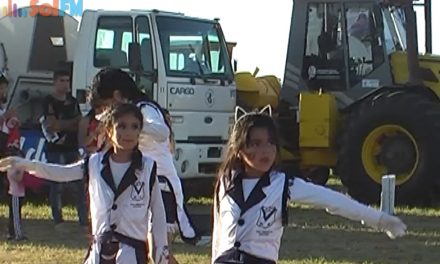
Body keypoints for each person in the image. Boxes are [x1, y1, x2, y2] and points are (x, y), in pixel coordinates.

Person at [211, 105, 407, 264]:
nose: (266, 150)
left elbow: (333, 201)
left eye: (270, 143)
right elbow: (219, 234)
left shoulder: (284, 185)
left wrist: (379, 219)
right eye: (255, 143)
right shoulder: (226, 181)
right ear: (238, 150)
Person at [0, 103, 169, 263]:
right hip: (99, 252)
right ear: (109, 131)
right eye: (122, 126)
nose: (128, 133)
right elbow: (62, 173)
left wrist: (160, 250)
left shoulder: (148, 167)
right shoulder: (94, 163)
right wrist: (26, 164)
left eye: (135, 127)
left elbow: (158, 212)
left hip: (131, 254)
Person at [88, 68, 201, 252]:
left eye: (105, 105)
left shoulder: (145, 108)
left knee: (158, 250)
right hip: (142, 187)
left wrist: (134, 123)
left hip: (162, 185)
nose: (104, 112)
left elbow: (162, 132)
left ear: (116, 96)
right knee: (146, 249)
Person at [41, 68, 87, 229]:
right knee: (57, 184)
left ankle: (83, 219)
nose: (65, 84)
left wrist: (64, 124)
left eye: (67, 80)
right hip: (55, 148)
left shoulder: (73, 101)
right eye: (62, 80)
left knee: (79, 184)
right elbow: (52, 126)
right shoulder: (48, 101)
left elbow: (80, 123)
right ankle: (58, 219)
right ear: (54, 82)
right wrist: (69, 123)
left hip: (72, 147)